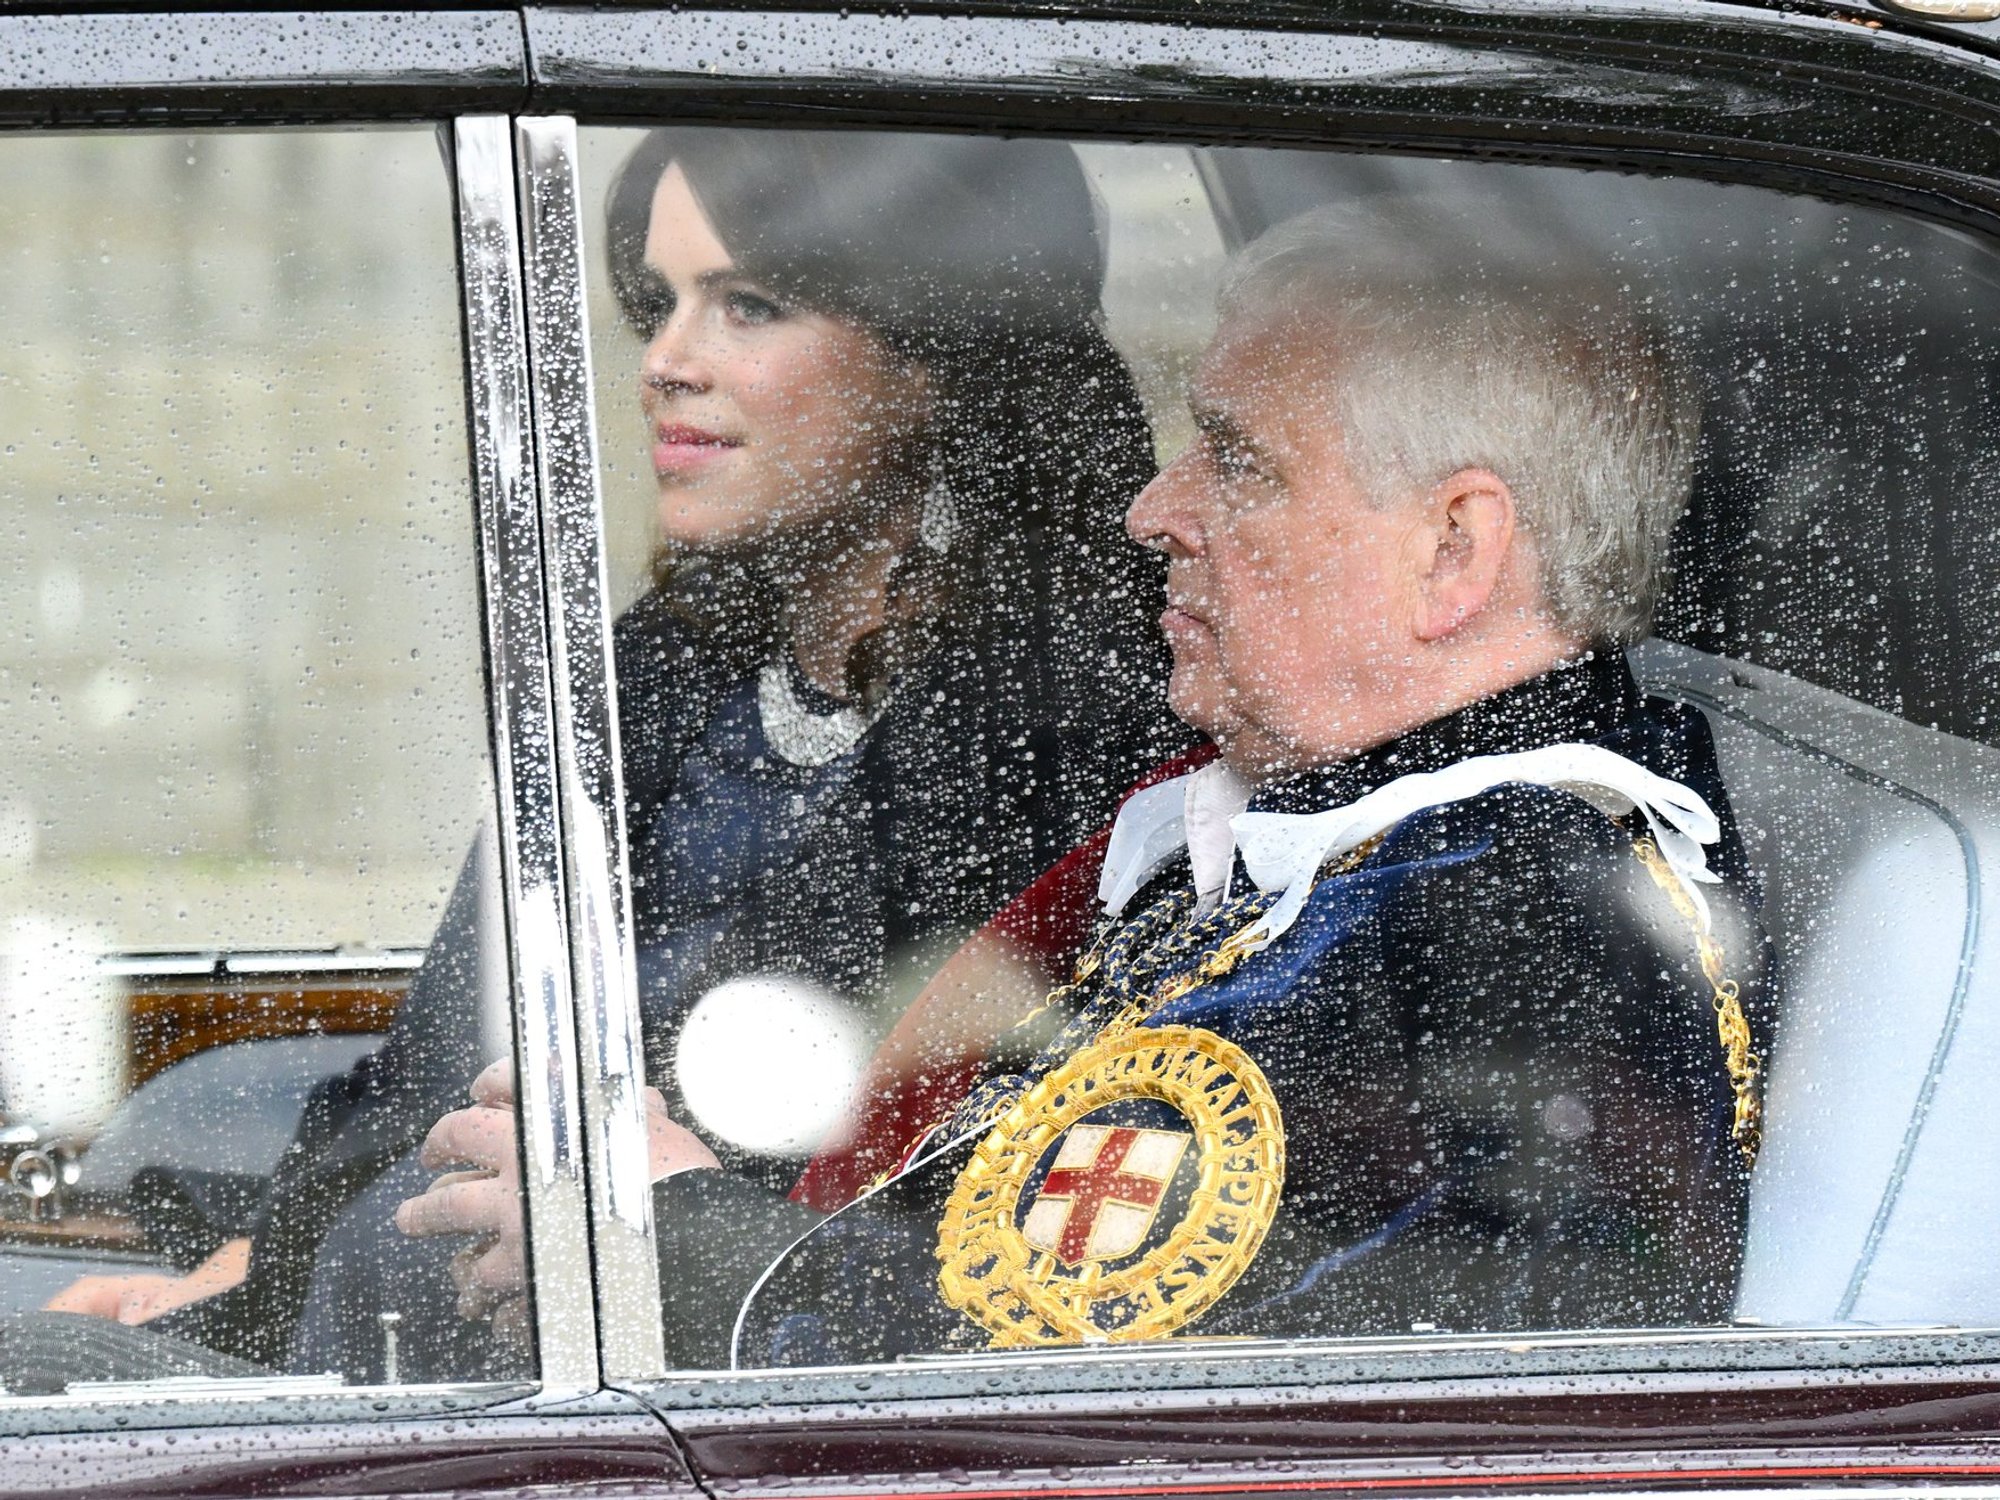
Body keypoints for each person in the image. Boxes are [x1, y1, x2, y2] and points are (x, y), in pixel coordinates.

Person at [399, 196, 1776, 1367]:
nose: (1153, 512)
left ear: (1454, 553)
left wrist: (681, 1247)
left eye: (1236, 461)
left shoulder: (1540, 935)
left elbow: (1301, 1410)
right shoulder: (1316, 832)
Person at [34, 128, 1177, 1383]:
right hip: (421, 1335)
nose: (665, 363)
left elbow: (899, 1226)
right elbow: (437, 1064)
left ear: (937, 353)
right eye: (656, 303)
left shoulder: (1081, 728)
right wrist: (238, 1277)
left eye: (747, 305)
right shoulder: (656, 667)